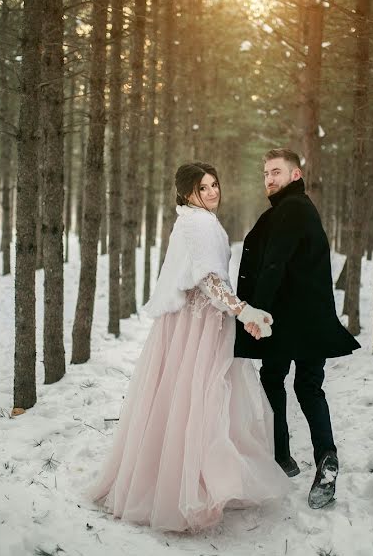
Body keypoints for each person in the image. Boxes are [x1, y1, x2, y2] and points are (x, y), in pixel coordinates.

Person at [89, 162, 290, 532]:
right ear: (185, 193)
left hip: (197, 321)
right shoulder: (197, 223)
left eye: (215, 184)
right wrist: (245, 311)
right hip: (196, 325)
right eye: (203, 187)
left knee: (191, 400)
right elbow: (210, 280)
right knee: (200, 400)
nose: (212, 192)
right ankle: (188, 489)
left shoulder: (195, 219)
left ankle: (197, 480)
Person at [235, 148, 361, 510]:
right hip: (311, 320)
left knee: (274, 380)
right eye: (265, 174)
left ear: (295, 174)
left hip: (285, 320)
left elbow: (274, 264)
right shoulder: (299, 208)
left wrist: (256, 314)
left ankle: (283, 457)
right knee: (309, 387)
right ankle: (322, 458)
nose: (269, 179)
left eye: (276, 172)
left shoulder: (291, 209)